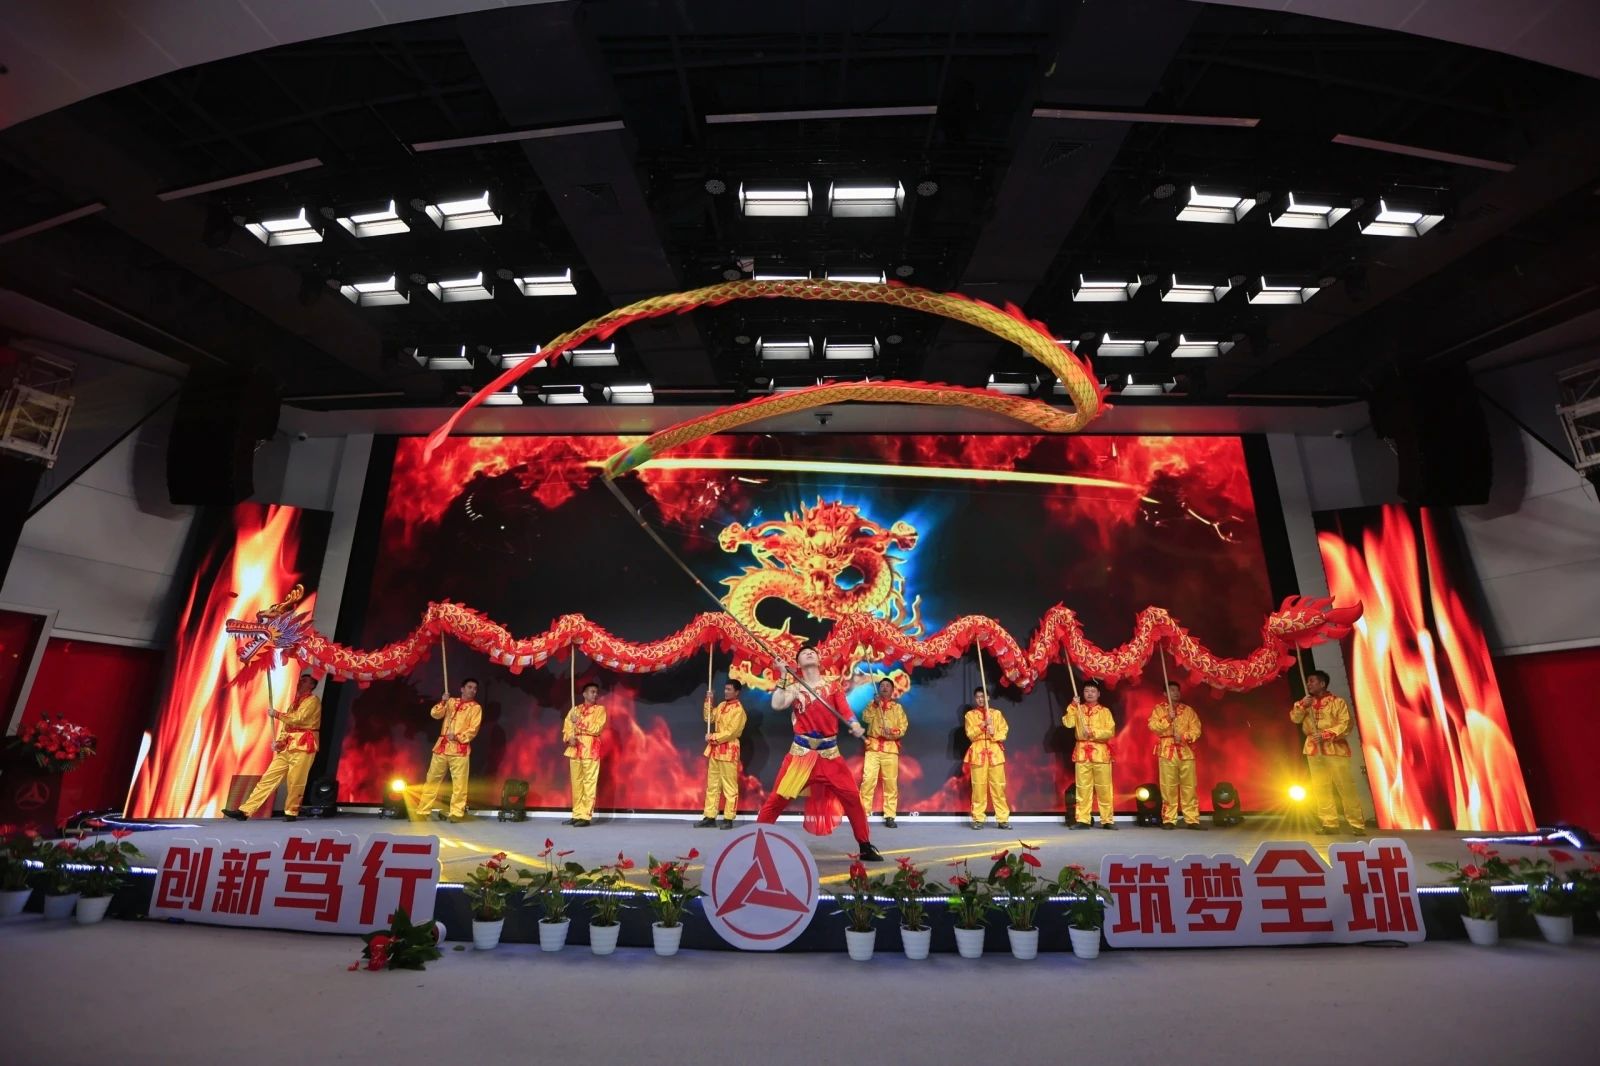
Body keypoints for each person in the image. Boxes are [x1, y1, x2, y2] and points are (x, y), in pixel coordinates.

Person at [757, 647, 883, 862]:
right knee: (777, 800)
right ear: (798, 663)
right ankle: (755, 842)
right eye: (803, 653)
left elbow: (844, 710)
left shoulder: (833, 685)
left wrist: (854, 724)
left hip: (829, 756)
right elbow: (777, 704)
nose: (808, 653)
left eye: (812, 652)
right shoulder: (795, 686)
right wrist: (784, 675)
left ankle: (865, 845)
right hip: (801, 756)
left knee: (853, 798)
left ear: (819, 660)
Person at [224, 673, 321, 822]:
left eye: (305, 681)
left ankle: (291, 811)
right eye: (300, 680)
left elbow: (299, 719)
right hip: (289, 746)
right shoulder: (294, 703)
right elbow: (287, 727)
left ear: (312, 685)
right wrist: (280, 742)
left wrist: (276, 714)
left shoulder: (313, 700)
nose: (300, 682)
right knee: (268, 778)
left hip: (303, 746)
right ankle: (245, 811)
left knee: (295, 781)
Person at [1291, 669, 1368, 834]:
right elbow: (1295, 719)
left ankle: (1357, 824)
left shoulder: (1337, 702)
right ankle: (1329, 823)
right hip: (1313, 749)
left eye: (1312, 681)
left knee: (1345, 787)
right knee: (1321, 787)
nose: (1308, 684)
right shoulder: (1305, 703)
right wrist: (1302, 706)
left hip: (1335, 749)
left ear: (1322, 683)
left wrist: (1326, 734)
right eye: (1308, 681)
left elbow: (1346, 723)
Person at [414, 678, 482, 823]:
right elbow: (435, 714)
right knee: (431, 780)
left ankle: (456, 813)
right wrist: (443, 701)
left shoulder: (476, 708)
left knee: (459, 784)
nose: (472, 690)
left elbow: (473, 729)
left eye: (475, 688)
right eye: (469, 687)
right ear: (462, 689)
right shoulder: (451, 702)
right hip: (442, 748)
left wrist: (457, 737)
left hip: (459, 750)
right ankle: (422, 810)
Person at [1148, 681, 1205, 830]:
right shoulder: (1159, 709)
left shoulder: (1188, 710)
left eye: (1177, 690)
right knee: (1168, 787)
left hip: (1185, 752)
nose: (1175, 693)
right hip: (1167, 751)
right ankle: (1169, 819)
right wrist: (1168, 718)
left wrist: (1185, 736)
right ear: (1165, 694)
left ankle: (1192, 819)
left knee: (1189, 786)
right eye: (1171, 690)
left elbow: (1196, 729)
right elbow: (1153, 726)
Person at [1064, 681, 1117, 830]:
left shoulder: (1105, 711)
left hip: (1100, 753)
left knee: (1104, 788)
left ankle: (1107, 820)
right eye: (1087, 691)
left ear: (1098, 694)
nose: (1089, 693)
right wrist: (1072, 706)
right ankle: (1083, 819)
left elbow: (1110, 731)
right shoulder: (1078, 709)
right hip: (1082, 753)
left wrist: (1094, 733)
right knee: (1082, 788)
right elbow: (1068, 723)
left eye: (1093, 691)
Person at [695, 679, 747, 829]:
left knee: (729, 786)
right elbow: (709, 718)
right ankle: (710, 816)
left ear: (737, 692)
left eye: (729, 689)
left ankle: (728, 818)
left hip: (729, 751)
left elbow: (731, 733)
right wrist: (709, 701)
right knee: (712, 785)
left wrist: (712, 737)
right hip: (716, 751)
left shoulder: (738, 710)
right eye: (725, 689)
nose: (726, 692)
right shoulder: (722, 705)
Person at [859, 678, 909, 828]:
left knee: (890, 783)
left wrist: (892, 731)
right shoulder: (872, 704)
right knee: (868, 780)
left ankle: (890, 815)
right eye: (882, 686)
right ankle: (863, 813)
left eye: (888, 686)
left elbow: (903, 728)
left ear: (893, 690)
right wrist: (875, 705)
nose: (885, 688)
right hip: (873, 748)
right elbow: (865, 718)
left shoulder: (897, 708)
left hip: (890, 749)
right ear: (878, 689)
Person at [964, 686, 1011, 830]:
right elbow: (970, 734)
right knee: (978, 787)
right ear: (975, 699)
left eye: (983, 696)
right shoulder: (970, 715)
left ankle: (1002, 819)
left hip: (995, 752)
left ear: (988, 698)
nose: (980, 699)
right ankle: (978, 818)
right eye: (978, 697)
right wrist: (983, 725)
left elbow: (1004, 732)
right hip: (978, 753)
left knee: (999, 787)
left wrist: (993, 732)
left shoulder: (996, 714)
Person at [563, 681, 608, 827]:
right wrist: (569, 738)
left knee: (589, 783)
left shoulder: (600, 710)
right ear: (584, 694)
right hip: (575, 750)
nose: (595, 694)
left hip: (590, 750)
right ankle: (577, 814)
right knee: (576, 784)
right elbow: (567, 727)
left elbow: (597, 729)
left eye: (596, 692)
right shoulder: (574, 710)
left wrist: (579, 721)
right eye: (592, 691)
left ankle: (585, 816)